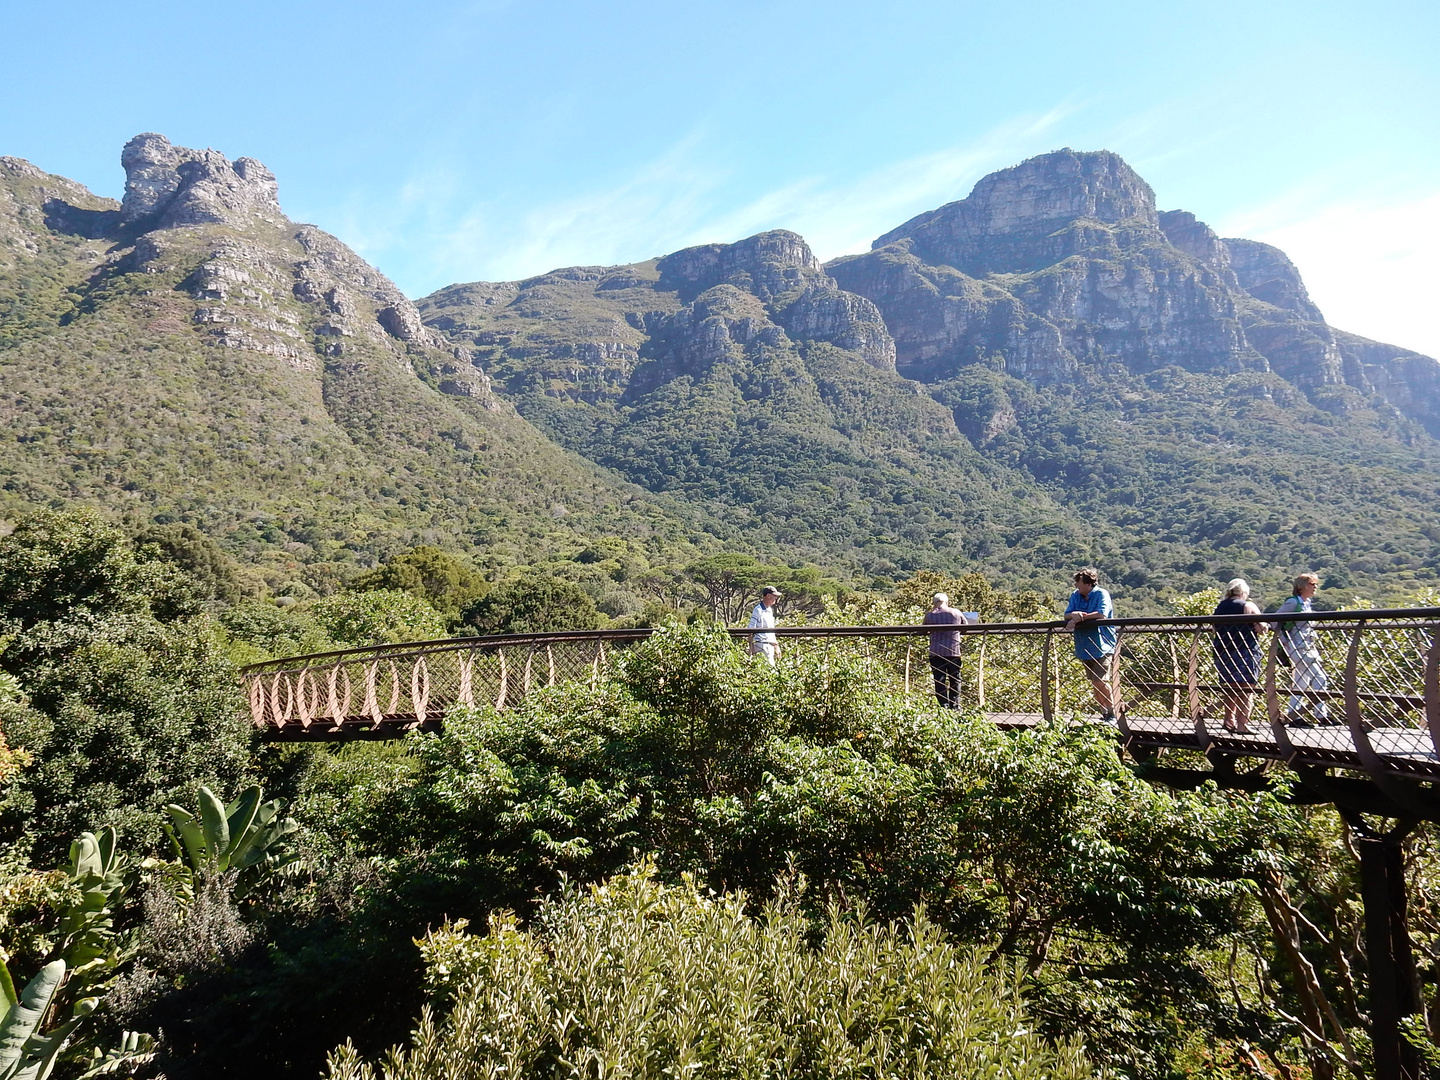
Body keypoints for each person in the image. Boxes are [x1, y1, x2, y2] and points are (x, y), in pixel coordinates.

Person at [1064, 567, 1120, 722]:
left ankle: (1113, 713)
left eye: (1079, 583)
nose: (1077, 586)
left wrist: (1080, 618)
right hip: (1084, 645)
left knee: (1100, 680)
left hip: (1103, 644)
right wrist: (1074, 616)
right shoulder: (1075, 596)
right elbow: (1067, 614)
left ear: (1088, 584)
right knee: (1094, 683)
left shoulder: (1101, 594)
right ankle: (1105, 713)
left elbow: (1102, 614)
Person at [1274, 572, 1329, 726]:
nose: (1315, 587)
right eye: (1312, 584)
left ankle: (1294, 716)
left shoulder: (1306, 603)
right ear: (1302, 586)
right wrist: (1284, 642)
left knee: (1300, 683)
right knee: (1320, 678)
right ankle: (1321, 716)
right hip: (1298, 647)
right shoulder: (1293, 602)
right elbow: (1274, 620)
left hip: (1307, 646)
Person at [1212, 578, 1265, 734]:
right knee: (1246, 688)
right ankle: (1243, 725)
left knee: (1229, 687)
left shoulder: (1219, 607)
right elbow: (1261, 628)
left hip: (1222, 651)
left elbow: (1214, 629)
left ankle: (1229, 721)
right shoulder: (1248, 606)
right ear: (1243, 592)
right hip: (1245, 650)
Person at [922, 592, 970, 708]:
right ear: (946, 602)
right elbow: (966, 626)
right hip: (953, 651)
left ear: (934, 602)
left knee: (939, 680)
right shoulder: (956, 612)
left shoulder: (930, 615)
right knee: (955, 679)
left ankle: (944, 706)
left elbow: (922, 630)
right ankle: (955, 706)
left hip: (936, 652)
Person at [747, 586, 781, 666]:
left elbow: (771, 631)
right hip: (762, 645)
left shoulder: (769, 610)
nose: (776, 598)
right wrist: (751, 647)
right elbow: (751, 629)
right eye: (774, 596)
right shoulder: (758, 610)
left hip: (769, 645)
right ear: (768, 596)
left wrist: (776, 645)